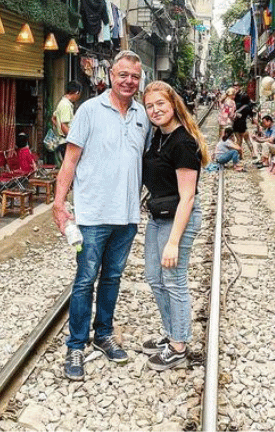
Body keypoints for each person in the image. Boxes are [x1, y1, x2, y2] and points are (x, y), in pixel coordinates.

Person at [52, 51, 150, 381]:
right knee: (84, 281)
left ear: (140, 79)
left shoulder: (143, 115)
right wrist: (59, 204)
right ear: (111, 75)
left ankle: (103, 333)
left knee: (112, 278)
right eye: (123, 75)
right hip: (92, 216)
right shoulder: (89, 111)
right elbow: (69, 161)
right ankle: (76, 344)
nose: (128, 81)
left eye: (134, 76)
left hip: (127, 216)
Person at [141, 81, 209, 370]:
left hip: (178, 219)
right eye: (149, 106)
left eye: (160, 104)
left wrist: (173, 242)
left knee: (174, 281)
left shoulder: (182, 142)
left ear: (173, 105)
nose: (155, 110)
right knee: (155, 279)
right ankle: (171, 335)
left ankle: (179, 346)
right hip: (158, 217)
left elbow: (188, 196)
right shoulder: (158, 137)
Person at [52, 81, 82, 165]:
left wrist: (57, 130)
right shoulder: (66, 105)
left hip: (61, 141)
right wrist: (73, 138)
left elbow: (53, 118)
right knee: (69, 167)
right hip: (65, 142)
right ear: (76, 92)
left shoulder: (62, 103)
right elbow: (63, 125)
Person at [232, 88, 256, 159]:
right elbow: (252, 117)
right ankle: (253, 153)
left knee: (238, 141)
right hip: (243, 126)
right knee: (247, 140)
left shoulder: (236, 105)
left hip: (235, 125)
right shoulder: (248, 107)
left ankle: (240, 156)